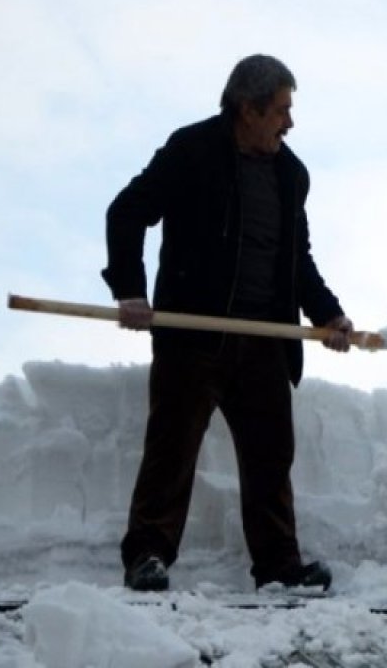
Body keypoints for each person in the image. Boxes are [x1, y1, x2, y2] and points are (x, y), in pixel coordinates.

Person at [102, 54, 354, 592]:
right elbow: (127, 211)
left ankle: (279, 567)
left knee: (270, 458)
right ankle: (146, 555)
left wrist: (328, 313)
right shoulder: (191, 150)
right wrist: (130, 289)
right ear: (248, 108)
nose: (289, 122)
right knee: (171, 452)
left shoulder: (290, 174)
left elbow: (297, 260)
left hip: (264, 339)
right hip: (193, 336)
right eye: (281, 110)